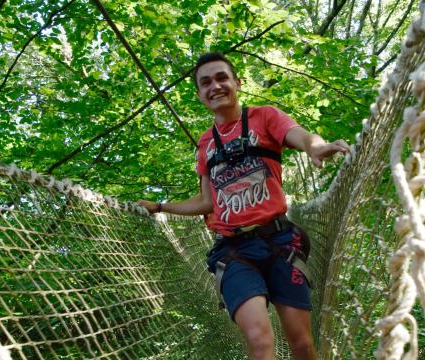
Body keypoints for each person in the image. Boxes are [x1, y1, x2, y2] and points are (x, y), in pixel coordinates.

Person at [138, 52, 349, 360]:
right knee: (260, 341)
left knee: (302, 344)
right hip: (234, 252)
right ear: (199, 94)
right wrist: (161, 207)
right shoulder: (205, 143)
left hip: (280, 243)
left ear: (237, 82)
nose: (215, 86)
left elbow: (299, 135)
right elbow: (207, 201)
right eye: (205, 82)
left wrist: (316, 146)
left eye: (222, 78)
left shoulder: (265, 117)